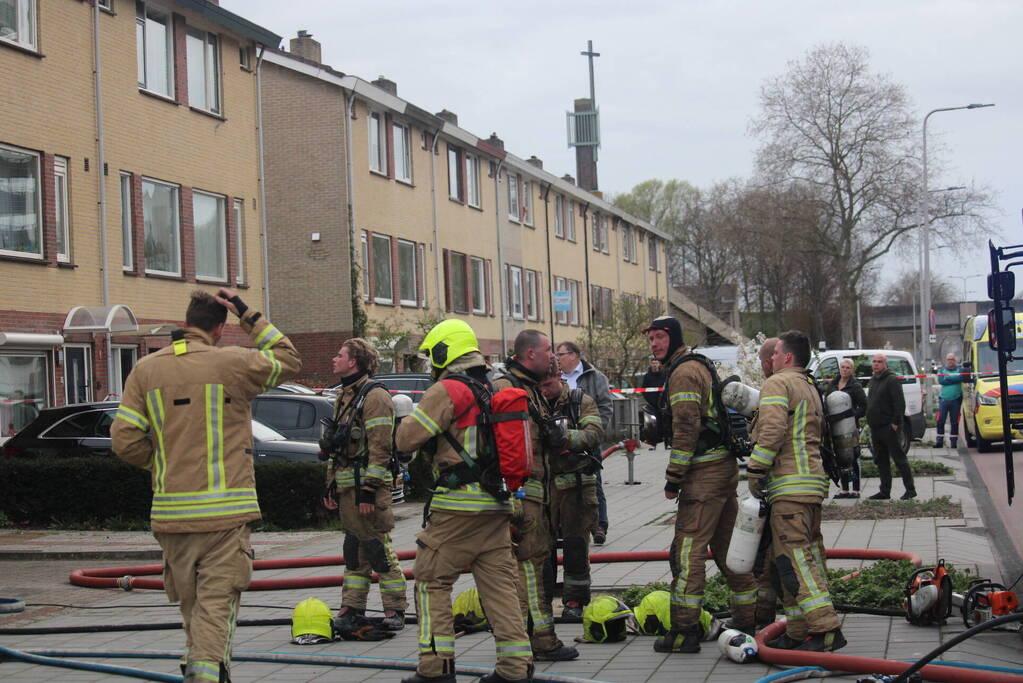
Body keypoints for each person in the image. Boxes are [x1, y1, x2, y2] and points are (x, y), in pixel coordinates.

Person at [111, 289, 301, 682]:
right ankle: (206, 673)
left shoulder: (145, 369)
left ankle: (203, 665)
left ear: (186, 321)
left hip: (172, 517)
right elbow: (288, 358)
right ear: (218, 328)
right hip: (225, 516)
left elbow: (124, 440)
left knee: (194, 608)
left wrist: (163, 463)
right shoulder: (232, 362)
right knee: (216, 607)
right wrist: (248, 314)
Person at [395, 319, 532, 683]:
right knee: (500, 589)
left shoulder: (448, 389)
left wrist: (404, 417)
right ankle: (516, 668)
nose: (429, 364)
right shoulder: (492, 387)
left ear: (445, 351)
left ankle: (435, 669)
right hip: (496, 506)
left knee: (431, 581)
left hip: (457, 509)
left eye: (431, 356)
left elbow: (406, 440)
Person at [644, 315, 757, 653]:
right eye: (651, 338)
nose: (654, 344)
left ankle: (684, 631)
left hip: (703, 475)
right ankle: (748, 618)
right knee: (728, 549)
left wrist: (673, 478)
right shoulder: (695, 364)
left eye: (659, 337)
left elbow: (686, 428)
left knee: (687, 553)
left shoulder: (682, 372)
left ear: (674, 337)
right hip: (721, 470)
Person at [746, 330, 846, 652]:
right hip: (810, 486)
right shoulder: (808, 385)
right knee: (797, 560)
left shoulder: (778, 383)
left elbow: (772, 432)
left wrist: (755, 471)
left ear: (787, 356)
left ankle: (826, 629)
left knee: (795, 562)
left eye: (775, 353)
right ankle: (797, 629)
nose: (771, 359)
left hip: (789, 487)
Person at [497, 332, 579, 662]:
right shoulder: (508, 389)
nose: (553, 356)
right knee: (528, 571)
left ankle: (532, 641)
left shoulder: (528, 388)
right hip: (521, 498)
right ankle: (536, 642)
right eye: (548, 350)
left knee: (535, 568)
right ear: (530, 354)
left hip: (536, 496)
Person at [324, 338, 407, 634]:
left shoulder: (375, 396)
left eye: (340, 355)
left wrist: (369, 491)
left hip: (367, 493)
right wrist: (330, 485)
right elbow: (337, 448)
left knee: (377, 548)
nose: (334, 359)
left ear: (354, 362)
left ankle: (395, 608)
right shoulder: (344, 396)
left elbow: (380, 448)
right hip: (348, 491)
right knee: (353, 550)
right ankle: (352, 607)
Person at [538, 371, 605, 622]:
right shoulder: (533, 402)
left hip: (576, 486)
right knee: (540, 548)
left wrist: (566, 438)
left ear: (558, 377)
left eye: (547, 384)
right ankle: (542, 601)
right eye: (539, 385)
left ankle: (575, 601)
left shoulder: (580, 401)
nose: (543, 390)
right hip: (543, 487)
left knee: (575, 546)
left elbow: (594, 433)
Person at [556, 341, 612, 544]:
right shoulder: (556, 378)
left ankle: (599, 525)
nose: (557, 358)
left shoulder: (595, 377)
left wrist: (594, 431)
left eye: (561, 354)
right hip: (564, 441)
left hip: (588, 439)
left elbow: (605, 406)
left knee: (593, 481)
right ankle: (565, 526)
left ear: (573, 355)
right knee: (565, 483)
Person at [866, 354, 916, 500]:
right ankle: (885, 490)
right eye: (874, 362)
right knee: (881, 460)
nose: (876, 364)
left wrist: (895, 423)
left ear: (885, 364)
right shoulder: (873, 380)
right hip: (875, 427)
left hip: (888, 427)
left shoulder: (892, 380)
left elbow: (899, 403)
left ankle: (910, 489)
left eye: (879, 362)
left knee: (899, 459)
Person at [825, 359, 867, 499]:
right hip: (835, 426)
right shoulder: (832, 385)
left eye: (848, 367)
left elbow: (864, 406)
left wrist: (851, 416)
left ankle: (856, 489)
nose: (844, 369)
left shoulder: (855, 386)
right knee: (839, 457)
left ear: (852, 370)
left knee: (852, 457)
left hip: (850, 427)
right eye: (842, 367)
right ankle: (844, 489)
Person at [935, 352, 963, 449]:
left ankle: (953, 443)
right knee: (940, 420)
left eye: (952, 359)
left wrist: (948, 378)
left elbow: (960, 378)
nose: (950, 361)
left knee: (954, 422)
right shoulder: (942, 369)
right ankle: (939, 442)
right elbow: (941, 381)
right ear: (946, 360)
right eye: (949, 359)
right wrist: (954, 378)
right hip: (944, 399)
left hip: (956, 399)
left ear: (955, 360)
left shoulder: (959, 369)